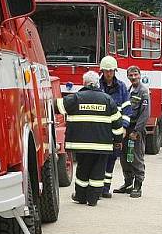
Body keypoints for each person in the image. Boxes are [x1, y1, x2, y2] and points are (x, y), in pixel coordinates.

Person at [56, 71, 124, 206]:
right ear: (97, 83)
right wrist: (117, 141)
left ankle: (80, 197)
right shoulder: (107, 99)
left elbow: (58, 106)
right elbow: (117, 123)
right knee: (98, 172)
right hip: (102, 146)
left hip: (81, 145)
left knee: (83, 169)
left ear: (84, 83)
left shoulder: (76, 98)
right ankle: (93, 199)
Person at [98, 55, 133, 198]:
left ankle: (105, 189)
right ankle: (97, 187)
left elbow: (127, 109)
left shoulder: (122, 87)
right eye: (106, 71)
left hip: (115, 129)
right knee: (99, 158)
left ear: (115, 71)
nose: (109, 74)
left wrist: (124, 127)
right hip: (100, 129)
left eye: (111, 71)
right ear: (102, 71)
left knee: (112, 158)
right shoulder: (97, 86)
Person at [114, 65, 150, 198]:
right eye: (131, 75)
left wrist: (136, 131)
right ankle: (128, 183)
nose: (133, 77)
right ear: (128, 76)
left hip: (136, 130)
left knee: (136, 158)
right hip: (126, 129)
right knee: (124, 157)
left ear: (140, 75)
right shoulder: (128, 90)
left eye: (135, 75)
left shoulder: (143, 92)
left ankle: (138, 185)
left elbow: (145, 114)